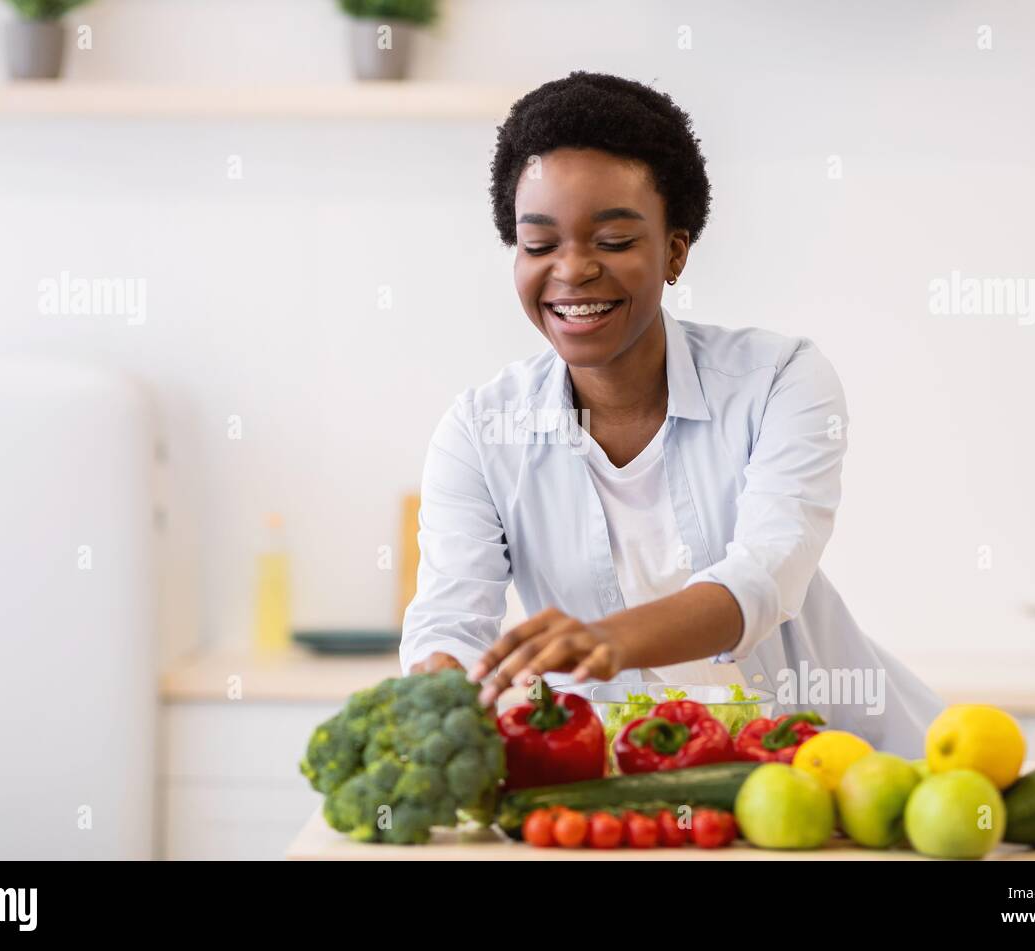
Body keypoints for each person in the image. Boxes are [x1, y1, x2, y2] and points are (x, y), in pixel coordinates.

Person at [400, 71, 943, 756]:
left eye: (614, 241)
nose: (571, 270)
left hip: (834, 772)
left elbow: (765, 575)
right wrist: (441, 692)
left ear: (675, 251)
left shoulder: (779, 381)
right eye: (539, 245)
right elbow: (448, 621)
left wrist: (609, 639)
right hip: (615, 783)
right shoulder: (480, 433)